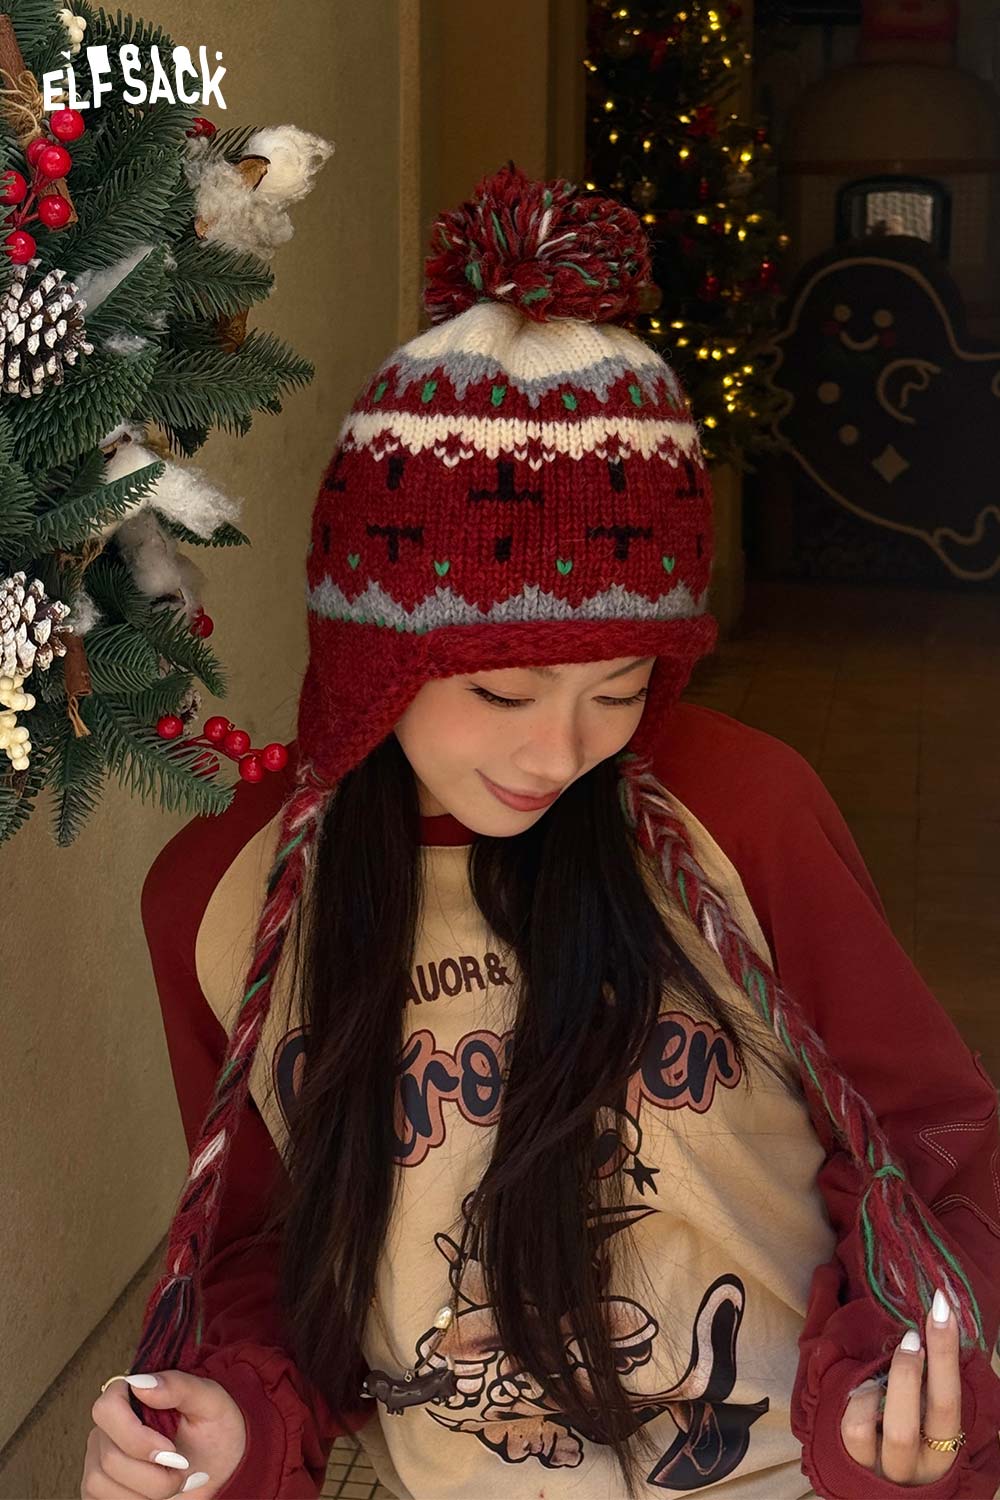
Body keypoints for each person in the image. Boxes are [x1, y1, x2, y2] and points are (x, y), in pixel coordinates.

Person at [83, 163, 1000, 1500]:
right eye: (502, 689)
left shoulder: (737, 811)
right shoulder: (227, 900)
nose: (558, 752)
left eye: (618, 690)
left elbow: (928, 1147)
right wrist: (231, 1424)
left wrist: (907, 1373)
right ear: (369, 658)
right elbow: (261, 1257)